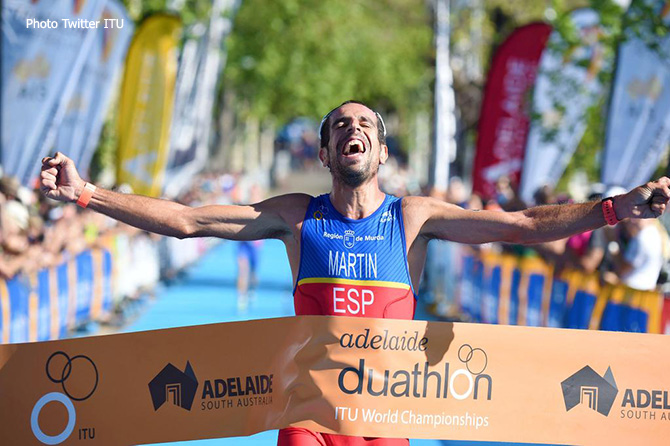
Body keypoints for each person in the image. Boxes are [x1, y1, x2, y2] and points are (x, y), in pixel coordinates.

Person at [40, 100, 670, 445]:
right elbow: (185, 221)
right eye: (341, 126)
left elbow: (522, 226)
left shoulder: (413, 219)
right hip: (309, 420)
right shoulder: (294, 216)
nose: (354, 130)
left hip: (388, 423)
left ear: (382, 151)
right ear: (324, 152)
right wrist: (88, 194)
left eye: (366, 124)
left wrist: (615, 209)